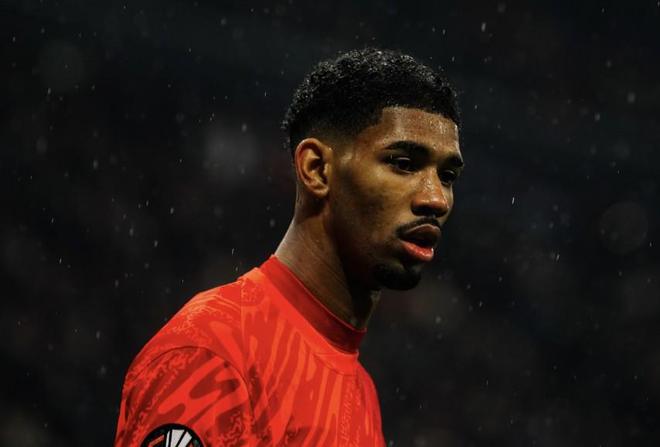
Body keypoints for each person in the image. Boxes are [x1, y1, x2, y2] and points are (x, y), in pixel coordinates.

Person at [114, 47, 464, 447]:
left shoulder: (361, 390)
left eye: (447, 176)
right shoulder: (214, 351)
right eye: (403, 163)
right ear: (316, 169)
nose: (436, 198)